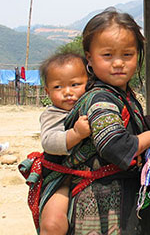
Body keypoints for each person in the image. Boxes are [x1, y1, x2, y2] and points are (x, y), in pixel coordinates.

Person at [40, 7, 150, 235]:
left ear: (138, 56)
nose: (118, 63)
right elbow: (114, 145)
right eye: (108, 55)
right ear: (89, 57)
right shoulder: (100, 100)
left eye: (127, 55)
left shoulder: (122, 94)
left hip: (125, 199)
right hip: (104, 205)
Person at [38, 52, 91, 235]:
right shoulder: (52, 114)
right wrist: (75, 134)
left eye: (75, 85)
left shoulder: (95, 106)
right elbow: (49, 142)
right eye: (58, 87)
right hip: (62, 177)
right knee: (53, 224)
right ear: (47, 92)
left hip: (93, 173)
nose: (67, 92)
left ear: (89, 82)